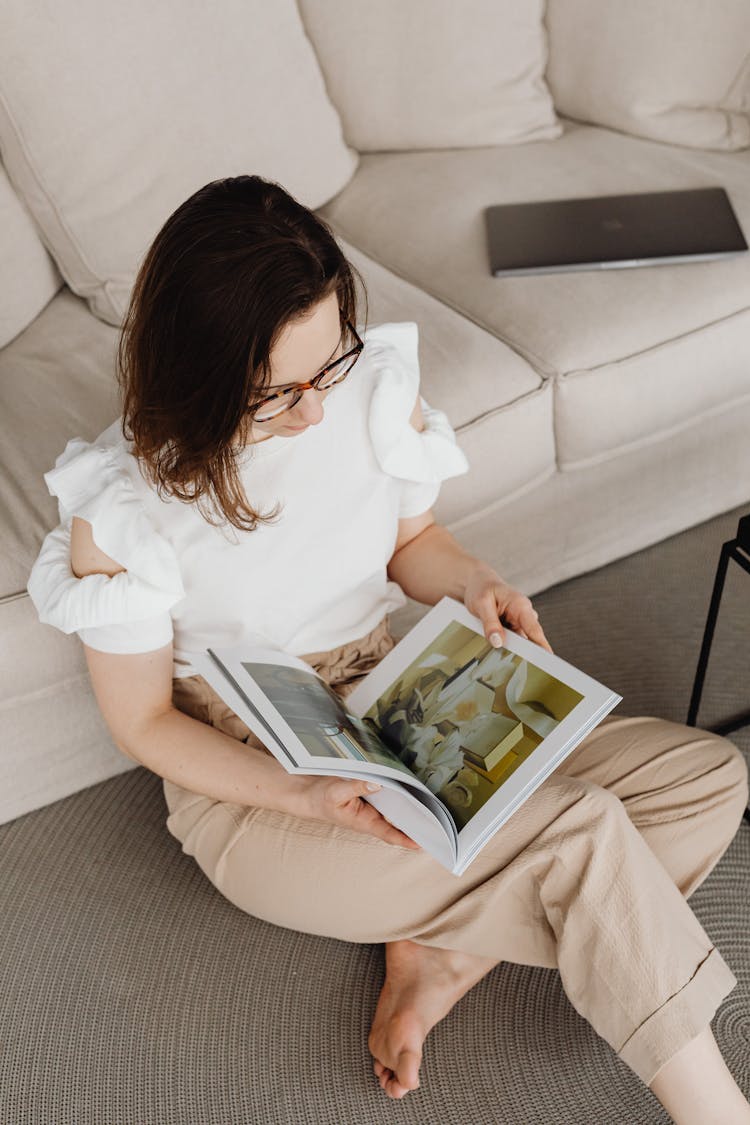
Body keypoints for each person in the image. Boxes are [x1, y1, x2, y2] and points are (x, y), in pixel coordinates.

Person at [27, 174, 750, 1122]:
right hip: (255, 780)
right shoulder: (124, 505)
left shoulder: (369, 389)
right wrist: (304, 794)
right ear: (197, 376)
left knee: (706, 782)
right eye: (276, 391)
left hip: (396, 698)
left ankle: (445, 949)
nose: (315, 409)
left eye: (327, 366)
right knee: (582, 833)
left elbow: (413, 545)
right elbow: (143, 722)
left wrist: (473, 580)